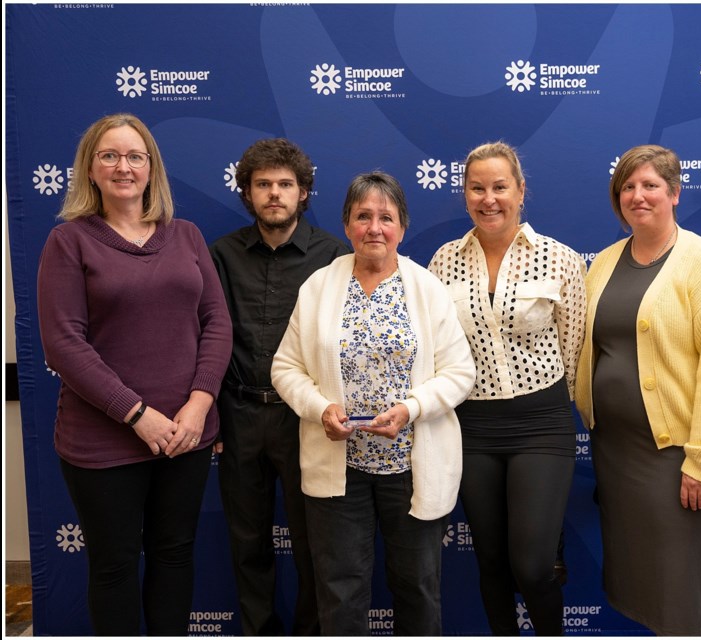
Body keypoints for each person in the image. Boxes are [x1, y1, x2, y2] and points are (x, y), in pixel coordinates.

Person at [36, 113, 232, 635]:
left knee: (173, 556)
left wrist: (198, 404)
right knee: (115, 565)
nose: (123, 166)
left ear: (151, 169)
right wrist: (137, 414)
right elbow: (63, 344)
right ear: (91, 169)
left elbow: (216, 322)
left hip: (186, 435)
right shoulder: (69, 242)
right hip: (104, 440)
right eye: (110, 156)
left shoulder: (186, 236)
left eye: (135, 156)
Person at [271, 171, 475, 635]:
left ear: (402, 227)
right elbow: (285, 368)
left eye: (386, 217)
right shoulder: (318, 287)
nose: (375, 228)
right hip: (339, 468)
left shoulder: (427, 290)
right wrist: (320, 408)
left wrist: (413, 409)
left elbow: (461, 372)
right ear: (347, 225)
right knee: (340, 589)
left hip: (411, 466)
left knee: (418, 586)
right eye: (363, 216)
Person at [573, 144, 701, 635]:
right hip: (617, 452)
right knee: (639, 580)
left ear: (674, 193)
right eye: (627, 187)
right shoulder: (604, 264)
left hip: (676, 457)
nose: (638, 195)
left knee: (675, 583)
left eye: (650, 185)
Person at [428, 141, 586, 635]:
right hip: (472, 427)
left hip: (542, 424)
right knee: (491, 562)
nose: (488, 198)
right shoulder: (443, 261)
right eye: (477, 188)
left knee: (533, 564)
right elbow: (437, 351)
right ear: (464, 194)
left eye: (500, 186)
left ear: (520, 191)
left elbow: (575, 347)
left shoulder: (558, 259)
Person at [209, 138, 350, 635]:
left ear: (303, 192)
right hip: (239, 415)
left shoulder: (336, 256)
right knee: (248, 543)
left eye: (285, 185)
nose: (274, 194)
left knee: (315, 543)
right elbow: (207, 338)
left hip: (306, 420)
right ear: (247, 192)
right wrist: (213, 419)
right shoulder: (221, 254)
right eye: (263, 185)